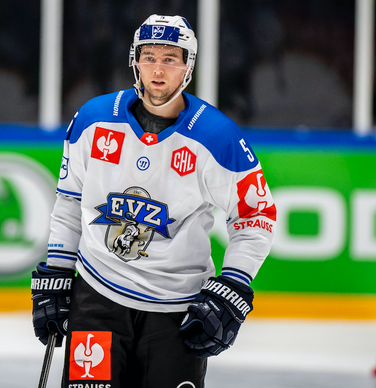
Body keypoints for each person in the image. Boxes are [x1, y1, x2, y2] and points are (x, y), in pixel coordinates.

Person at [31, 14, 276, 388]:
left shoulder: (216, 136)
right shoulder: (93, 120)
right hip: (97, 300)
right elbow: (69, 203)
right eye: (149, 57)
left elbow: (256, 215)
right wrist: (59, 271)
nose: (158, 70)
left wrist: (234, 286)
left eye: (170, 58)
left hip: (176, 314)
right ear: (135, 61)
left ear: (187, 66)